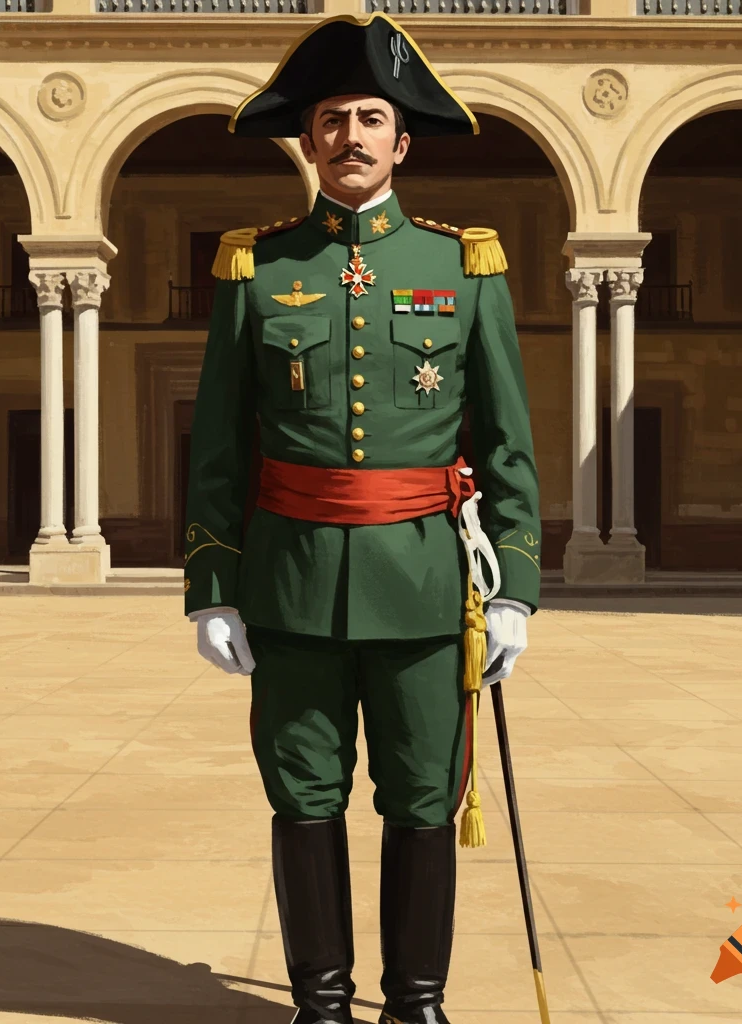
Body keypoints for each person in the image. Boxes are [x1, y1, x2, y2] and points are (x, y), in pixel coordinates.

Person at [183, 13, 540, 1024]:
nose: (350, 135)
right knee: (304, 797)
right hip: (288, 586)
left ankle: (415, 1005)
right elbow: (219, 445)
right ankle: (322, 1005)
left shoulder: (462, 266)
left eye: (369, 117)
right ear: (307, 140)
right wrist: (211, 586)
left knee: (423, 800)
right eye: (331, 118)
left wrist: (512, 585)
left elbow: (506, 442)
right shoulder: (256, 269)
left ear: (403, 140)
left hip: (426, 587)